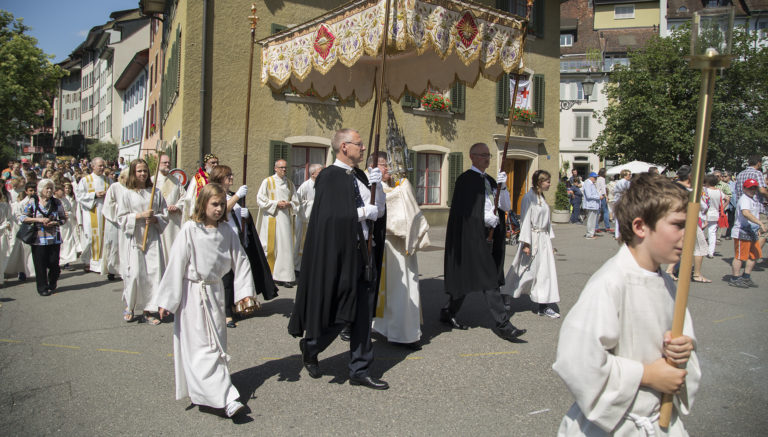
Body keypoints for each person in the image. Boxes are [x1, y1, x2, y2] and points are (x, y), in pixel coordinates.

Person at [553, 173, 701, 436]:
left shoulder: (666, 282)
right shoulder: (611, 282)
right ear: (640, 226)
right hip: (617, 425)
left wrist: (683, 350)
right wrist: (645, 375)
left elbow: (680, 341)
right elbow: (576, 360)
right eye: (678, 225)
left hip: (659, 421)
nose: (687, 236)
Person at [288, 128, 389, 389]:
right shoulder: (329, 177)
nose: (363, 148)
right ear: (344, 147)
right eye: (359, 144)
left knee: (364, 313)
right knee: (341, 312)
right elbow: (328, 218)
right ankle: (311, 346)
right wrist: (362, 212)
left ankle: (360, 369)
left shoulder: (360, 176)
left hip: (364, 252)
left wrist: (379, 190)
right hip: (340, 254)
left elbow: (377, 210)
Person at [156, 183, 257, 419]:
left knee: (216, 345)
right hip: (192, 294)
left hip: (215, 293)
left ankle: (213, 392)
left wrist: (244, 294)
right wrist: (167, 301)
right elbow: (176, 265)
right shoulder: (190, 229)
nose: (220, 209)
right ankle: (227, 398)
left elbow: (241, 261)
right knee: (202, 348)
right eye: (215, 204)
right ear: (202, 204)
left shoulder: (227, 232)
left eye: (223, 204)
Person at [442, 142, 525, 343]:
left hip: (490, 235)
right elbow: (465, 212)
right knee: (489, 279)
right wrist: (483, 219)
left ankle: (448, 311)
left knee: (469, 277)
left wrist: (503, 187)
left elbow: (505, 206)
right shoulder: (465, 180)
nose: (487, 158)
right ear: (472, 156)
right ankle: (503, 325)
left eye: (489, 155)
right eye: (483, 155)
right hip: (471, 237)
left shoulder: (490, 180)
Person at [371, 152, 429, 350]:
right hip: (385, 245)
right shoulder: (372, 187)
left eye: (388, 165)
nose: (388, 168)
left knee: (403, 289)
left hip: (400, 245)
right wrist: (401, 192)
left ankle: (404, 333)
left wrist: (403, 191)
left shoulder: (393, 187)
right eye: (383, 165)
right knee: (390, 289)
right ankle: (389, 329)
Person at [209, 165, 277, 328]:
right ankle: (226, 314)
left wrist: (246, 216)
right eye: (228, 176)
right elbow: (222, 212)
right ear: (219, 178)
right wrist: (237, 197)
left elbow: (235, 215)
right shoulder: (214, 195)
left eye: (231, 175)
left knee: (237, 275)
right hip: (222, 241)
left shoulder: (231, 195)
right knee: (226, 278)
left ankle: (235, 305)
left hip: (237, 240)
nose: (231, 178)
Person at [503, 169, 560, 318]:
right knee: (524, 271)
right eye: (547, 181)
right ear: (540, 182)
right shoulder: (529, 198)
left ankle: (543, 305)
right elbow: (525, 220)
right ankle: (506, 293)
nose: (549, 184)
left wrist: (549, 242)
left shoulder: (542, 198)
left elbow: (547, 222)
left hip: (543, 239)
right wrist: (526, 243)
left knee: (544, 272)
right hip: (532, 238)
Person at [117, 159, 168, 324]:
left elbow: (164, 214)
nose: (142, 174)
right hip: (135, 237)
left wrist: (154, 219)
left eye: (145, 171)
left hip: (152, 237)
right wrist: (140, 216)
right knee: (135, 274)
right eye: (139, 171)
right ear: (133, 173)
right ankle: (130, 306)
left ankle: (149, 310)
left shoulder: (156, 192)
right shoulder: (127, 194)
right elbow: (121, 218)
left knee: (153, 274)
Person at [256, 159, 300, 287]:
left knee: (285, 247)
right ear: (275, 168)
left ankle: (285, 276)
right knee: (271, 247)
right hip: (271, 218)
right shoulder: (268, 181)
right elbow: (260, 199)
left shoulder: (290, 184)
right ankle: (270, 275)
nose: (284, 170)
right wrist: (276, 204)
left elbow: (296, 202)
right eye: (281, 167)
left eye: (285, 167)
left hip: (285, 219)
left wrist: (289, 204)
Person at [20, 179, 66, 296]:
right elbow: (23, 217)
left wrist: (55, 223)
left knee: (54, 263)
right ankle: (42, 288)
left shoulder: (57, 203)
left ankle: (53, 280)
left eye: (51, 188)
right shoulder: (32, 202)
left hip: (53, 238)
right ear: (41, 189)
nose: (49, 190)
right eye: (47, 188)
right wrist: (39, 220)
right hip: (38, 239)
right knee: (40, 264)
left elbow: (63, 218)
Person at [673, 165, 711, 283]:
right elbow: (702, 206)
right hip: (688, 220)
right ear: (690, 176)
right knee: (700, 247)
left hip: (677, 220)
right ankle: (696, 274)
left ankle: (674, 270)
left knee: (680, 247)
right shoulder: (688, 190)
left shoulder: (674, 186)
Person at [727, 178, 767, 288]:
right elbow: (746, 213)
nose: (753, 190)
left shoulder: (752, 199)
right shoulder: (744, 199)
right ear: (744, 188)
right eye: (750, 188)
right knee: (740, 256)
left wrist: (757, 228)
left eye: (754, 188)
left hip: (751, 232)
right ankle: (735, 278)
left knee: (754, 255)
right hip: (742, 231)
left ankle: (746, 277)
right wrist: (760, 223)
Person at [74, 157, 109, 273]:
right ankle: (88, 262)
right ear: (93, 166)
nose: (102, 168)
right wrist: (94, 195)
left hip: (104, 213)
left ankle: (103, 262)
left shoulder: (108, 180)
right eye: (100, 166)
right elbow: (79, 196)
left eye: (103, 165)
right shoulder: (86, 180)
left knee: (104, 238)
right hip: (91, 212)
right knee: (91, 237)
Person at [154, 154, 187, 263]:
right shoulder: (152, 181)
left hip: (173, 221)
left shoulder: (176, 181)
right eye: (165, 162)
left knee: (173, 247)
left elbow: (185, 197)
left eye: (169, 162)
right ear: (158, 164)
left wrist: (177, 207)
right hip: (158, 220)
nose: (167, 164)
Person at [294, 163, 323, 272]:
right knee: (301, 244)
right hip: (304, 221)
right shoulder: (305, 186)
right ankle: (298, 268)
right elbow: (297, 203)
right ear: (313, 174)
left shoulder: (322, 185)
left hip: (317, 220)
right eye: (320, 171)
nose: (322, 173)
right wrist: (313, 204)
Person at [101, 171, 128, 281]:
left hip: (126, 221)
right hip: (114, 221)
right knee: (113, 246)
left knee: (124, 246)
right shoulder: (114, 187)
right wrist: (121, 208)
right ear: (122, 177)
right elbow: (109, 204)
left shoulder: (131, 188)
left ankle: (123, 270)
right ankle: (112, 270)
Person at [183, 153, 219, 219]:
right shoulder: (197, 179)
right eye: (213, 163)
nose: (216, 165)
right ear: (205, 165)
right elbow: (189, 198)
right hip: (199, 214)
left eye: (217, 163)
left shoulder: (218, 179)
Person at [54, 185, 79, 271]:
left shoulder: (65, 200)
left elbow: (70, 210)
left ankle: (67, 262)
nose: (63, 192)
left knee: (68, 243)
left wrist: (68, 214)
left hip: (66, 225)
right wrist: (60, 215)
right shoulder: (53, 201)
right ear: (56, 191)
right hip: (57, 225)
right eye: (61, 190)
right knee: (59, 245)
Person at [702, 174, 725, 259]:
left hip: (705, 214)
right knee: (712, 233)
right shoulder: (719, 191)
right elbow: (727, 198)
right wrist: (722, 208)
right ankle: (711, 251)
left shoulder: (705, 190)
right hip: (715, 213)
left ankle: (701, 249)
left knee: (701, 232)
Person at [612, 169, 632, 239]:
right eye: (629, 174)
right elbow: (624, 191)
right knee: (620, 218)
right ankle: (618, 234)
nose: (630, 176)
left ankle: (620, 233)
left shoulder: (626, 182)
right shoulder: (623, 182)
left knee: (622, 218)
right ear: (625, 175)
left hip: (623, 201)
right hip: (620, 201)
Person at [582, 172, 600, 239]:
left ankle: (591, 233)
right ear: (591, 177)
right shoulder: (588, 183)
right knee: (591, 220)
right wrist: (598, 197)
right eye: (595, 177)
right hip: (591, 204)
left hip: (593, 204)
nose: (596, 179)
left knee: (593, 220)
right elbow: (589, 195)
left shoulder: (591, 183)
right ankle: (589, 234)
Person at [595, 168, 611, 232]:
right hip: (602, 196)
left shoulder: (597, 179)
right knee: (605, 211)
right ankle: (607, 226)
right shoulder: (602, 179)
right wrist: (606, 197)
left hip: (598, 196)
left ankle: (596, 226)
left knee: (598, 212)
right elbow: (603, 189)